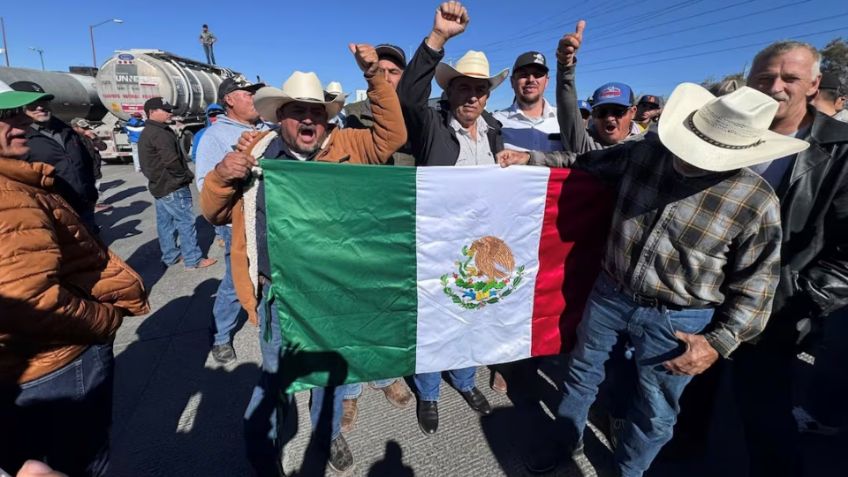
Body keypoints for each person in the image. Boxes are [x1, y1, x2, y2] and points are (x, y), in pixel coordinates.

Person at [499, 83, 806, 476]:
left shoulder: (756, 200)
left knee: (656, 409)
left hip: (680, 319)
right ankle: (565, 440)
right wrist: (530, 158)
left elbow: (758, 286)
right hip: (610, 291)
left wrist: (717, 343)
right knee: (580, 374)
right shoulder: (646, 152)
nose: (688, 159)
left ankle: (629, 472)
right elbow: (583, 163)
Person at [200, 43, 407, 475]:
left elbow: (393, 136)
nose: (308, 118)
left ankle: (328, 436)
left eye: (317, 110)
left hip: (334, 289)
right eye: (297, 111)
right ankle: (262, 452)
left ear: (328, 116)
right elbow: (213, 211)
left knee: (332, 377)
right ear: (280, 117)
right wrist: (223, 175)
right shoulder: (256, 153)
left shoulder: (347, 143)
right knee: (275, 379)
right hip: (279, 294)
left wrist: (374, 75)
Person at [0, 84, 149, 477]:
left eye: (18, 114)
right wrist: (103, 320)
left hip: (35, 367)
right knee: (86, 463)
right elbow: (30, 300)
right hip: (59, 365)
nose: (20, 123)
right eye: (5, 117)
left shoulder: (18, 182)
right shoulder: (7, 197)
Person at [734, 40, 848, 477]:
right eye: (764, 78)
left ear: (814, 84)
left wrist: (796, 298)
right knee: (687, 398)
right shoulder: (725, 133)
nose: (775, 87)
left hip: (776, 312)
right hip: (702, 299)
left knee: (763, 413)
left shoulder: (839, 150)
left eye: (789, 78)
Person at [396, 0, 497, 435]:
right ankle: (430, 392)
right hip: (437, 244)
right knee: (434, 321)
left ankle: (466, 379)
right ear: (449, 91)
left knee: (472, 317)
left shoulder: (495, 129)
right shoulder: (432, 124)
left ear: (488, 94)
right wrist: (437, 38)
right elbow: (406, 96)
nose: (471, 96)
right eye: (463, 87)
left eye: (479, 89)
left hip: (481, 245)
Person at [195, 78, 267, 365]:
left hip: (267, 222)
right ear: (229, 100)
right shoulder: (214, 137)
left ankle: (261, 314)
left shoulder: (265, 130)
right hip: (238, 226)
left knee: (264, 278)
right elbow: (206, 187)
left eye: (255, 94)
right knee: (235, 282)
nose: (254, 99)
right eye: (247, 94)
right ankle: (221, 336)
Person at [10, 81, 99, 233]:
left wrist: (91, 193)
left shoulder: (66, 130)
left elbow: (85, 160)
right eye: (32, 104)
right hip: (53, 214)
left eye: (43, 101)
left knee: (96, 253)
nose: (40, 107)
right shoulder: (18, 140)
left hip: (83, 206)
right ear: (19, 108)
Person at [138, 97, 216, 270]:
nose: (169, 113)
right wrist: (184, 177)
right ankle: (193, 259)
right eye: (165, 110)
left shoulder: (149, 131)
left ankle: (170, 255)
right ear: (152, 112)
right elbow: (171, 160)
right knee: (185, 221)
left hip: (160, 185)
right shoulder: (159, 133)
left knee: (165, 223)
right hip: (173, 186)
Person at [554, 21, 642, 154]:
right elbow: (568, 109)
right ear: (593, 115)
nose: (609, 118)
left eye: (618, 111)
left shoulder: (649, 145)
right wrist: (565, 65)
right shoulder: (585, 144)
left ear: (633, 112)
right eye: (601, 112)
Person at [344, 43, 415, 166]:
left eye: (393, 72)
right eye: (380, 71)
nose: (386, 78)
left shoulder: (416, 117)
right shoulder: (350, 115)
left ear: (404, 76)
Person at [493, 51, 561, 152]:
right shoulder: (495, 122)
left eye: (537, 75)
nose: (531, 80)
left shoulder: (563, 119)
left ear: (547, 81)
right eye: (523, 75)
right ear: (512, 82)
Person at [70, 118, 111, 213]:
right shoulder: (73, 138)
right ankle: (89, 205)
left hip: (95, 166)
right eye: (83, 128)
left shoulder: (90, 135)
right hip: (83, 168)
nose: (86, 129)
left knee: (96, 186)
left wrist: (94, 137)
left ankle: (96, 204)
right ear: (75, 128)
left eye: (87, 127)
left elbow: (103, 147)